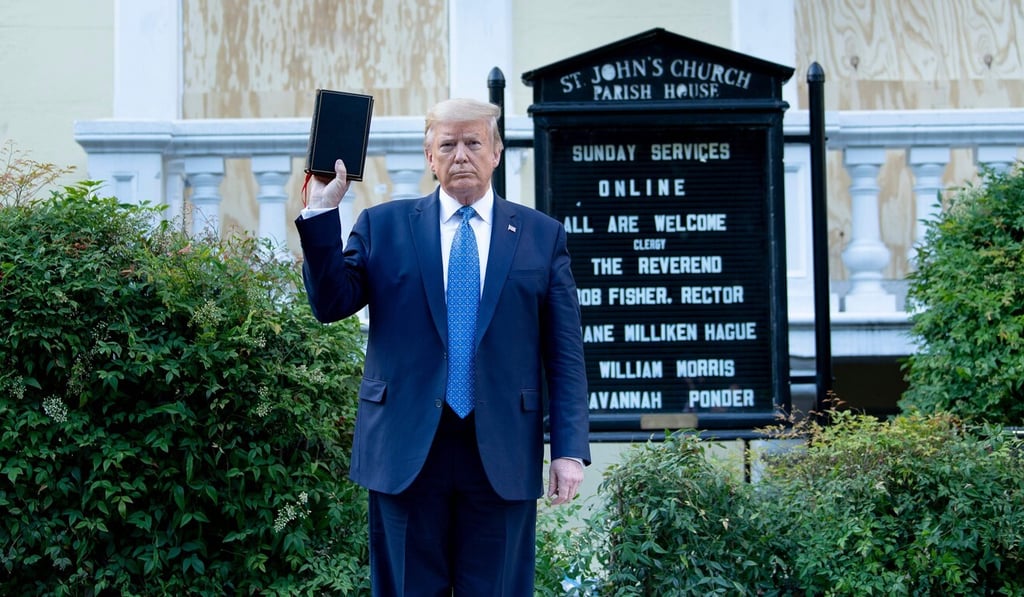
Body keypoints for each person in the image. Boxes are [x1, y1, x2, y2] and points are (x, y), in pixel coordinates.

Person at [295, 97, 590, 596]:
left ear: (496, 152)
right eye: (447, 144)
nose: (461, 155)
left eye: (474, 142)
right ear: (430, 157)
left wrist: (568, 450)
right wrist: (323, 213)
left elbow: (564, 355)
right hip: (406, 449)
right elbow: (330, 304)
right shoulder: (383, 227)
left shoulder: (542, 236)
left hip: (501, 451)